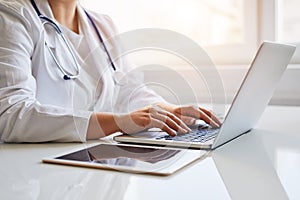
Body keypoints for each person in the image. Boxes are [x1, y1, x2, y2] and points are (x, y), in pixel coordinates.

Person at [0, 0, 220, 143]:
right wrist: (117, 122)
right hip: (34, 173)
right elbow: (10, 115)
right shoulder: (11, 16)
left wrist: (168, 111)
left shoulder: (102, 24)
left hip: (91, 165)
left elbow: (130, 91)